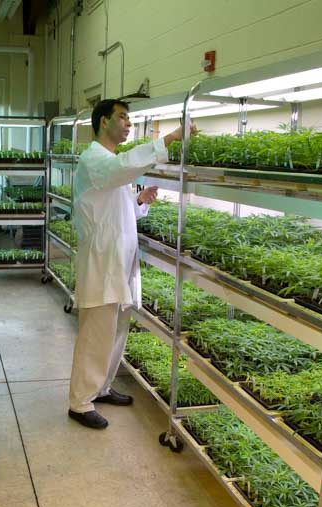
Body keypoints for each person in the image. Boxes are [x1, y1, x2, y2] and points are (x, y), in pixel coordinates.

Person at [67, 99, 196, 429]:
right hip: (102, 259)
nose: (128, 124)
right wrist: (167, 139)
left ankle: (102, 387)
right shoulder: (94, 158)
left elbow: (118, 208)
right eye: (122, 118)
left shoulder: (110, 162)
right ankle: (80, 402)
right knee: (96, 333)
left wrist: (139, 201)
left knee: (117, 329)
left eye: (129, 119)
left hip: (120, 258)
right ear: (103, 121)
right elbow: (121, 170)